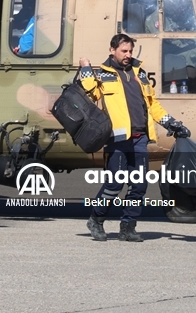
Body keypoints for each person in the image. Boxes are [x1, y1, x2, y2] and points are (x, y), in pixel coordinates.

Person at [78, 34, 189, 242]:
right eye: (124, 51)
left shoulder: (140, 73)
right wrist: (85, 69)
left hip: (139, 139)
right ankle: (96, 220)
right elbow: (90, 95)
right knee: (114, 185)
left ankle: (128, 227)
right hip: (118, 140)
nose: (128, 55)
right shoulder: (102, 75)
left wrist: (172, 123)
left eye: (130, 51)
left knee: (138, 186)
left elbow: (153, 105)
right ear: (112, 50)